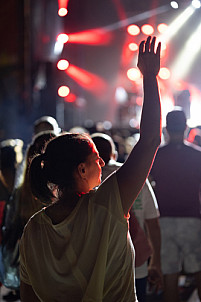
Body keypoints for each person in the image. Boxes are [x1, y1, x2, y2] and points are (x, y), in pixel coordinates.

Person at [19, 36, 161, 302]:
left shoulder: (34, 230)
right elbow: (151, 139)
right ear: (80, 170)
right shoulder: (106, 205)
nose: (102, 163)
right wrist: (150, 77)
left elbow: (28, 297)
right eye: (96, 158)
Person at [91, 132, 162, 302]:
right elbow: (153, 223)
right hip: (136, 264)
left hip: (99, 267)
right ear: (113, 154)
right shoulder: (136, 177)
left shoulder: (86, 181)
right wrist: (156, 261)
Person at [150, 108, 201, 302]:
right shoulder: (197, 155)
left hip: (164, 220)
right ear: (187, 128)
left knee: (169, 274)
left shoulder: (157, 155)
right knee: (198, 271)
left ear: (166, 129)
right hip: (192, 219)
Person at [1, 131, 56, 301]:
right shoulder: (56, 193)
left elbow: (10, 225)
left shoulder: (20, 191)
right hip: (52, 269)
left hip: (28, 264)